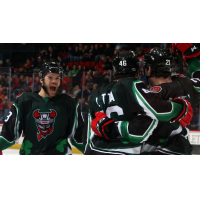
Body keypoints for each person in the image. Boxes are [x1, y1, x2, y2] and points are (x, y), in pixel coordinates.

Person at [91, 44, 200, 155]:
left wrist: (108, 127)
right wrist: (190, 55)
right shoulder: (188, 84)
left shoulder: (148, 94)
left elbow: (137, 130)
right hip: (182, 148)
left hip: (155, 150)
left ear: (148, 69)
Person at [0, 62, 84, 155]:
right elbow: (8, 135)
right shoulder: (24, 101)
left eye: (57, 78)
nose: (54, 81)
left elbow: (78, 138)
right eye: (50, 77)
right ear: (41, 80)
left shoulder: (69, 102)